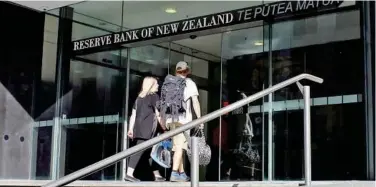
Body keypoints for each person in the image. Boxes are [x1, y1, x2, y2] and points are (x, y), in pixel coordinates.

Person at [164, 61, 203, 182]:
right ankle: (174, 173)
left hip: (171, 119)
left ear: (176, 71)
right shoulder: (189, 83)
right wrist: (200, 119)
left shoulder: (169, 82)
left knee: (177, 146)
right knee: (180, 146)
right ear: (187, 71)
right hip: (183, 120)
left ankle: (181, 173)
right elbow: (195, 102)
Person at [124, 76, 166, 182]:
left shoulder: (139, 98)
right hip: (147, 130)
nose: (158, 85)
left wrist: (130, 129)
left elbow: (133, 114)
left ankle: (157, 175)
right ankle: (129, 174)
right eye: (156, 84)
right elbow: (158, 113)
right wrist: (164, 126)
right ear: (151, 85)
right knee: (139, 151)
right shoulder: (153, 96)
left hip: (139, 129)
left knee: (150, 152)